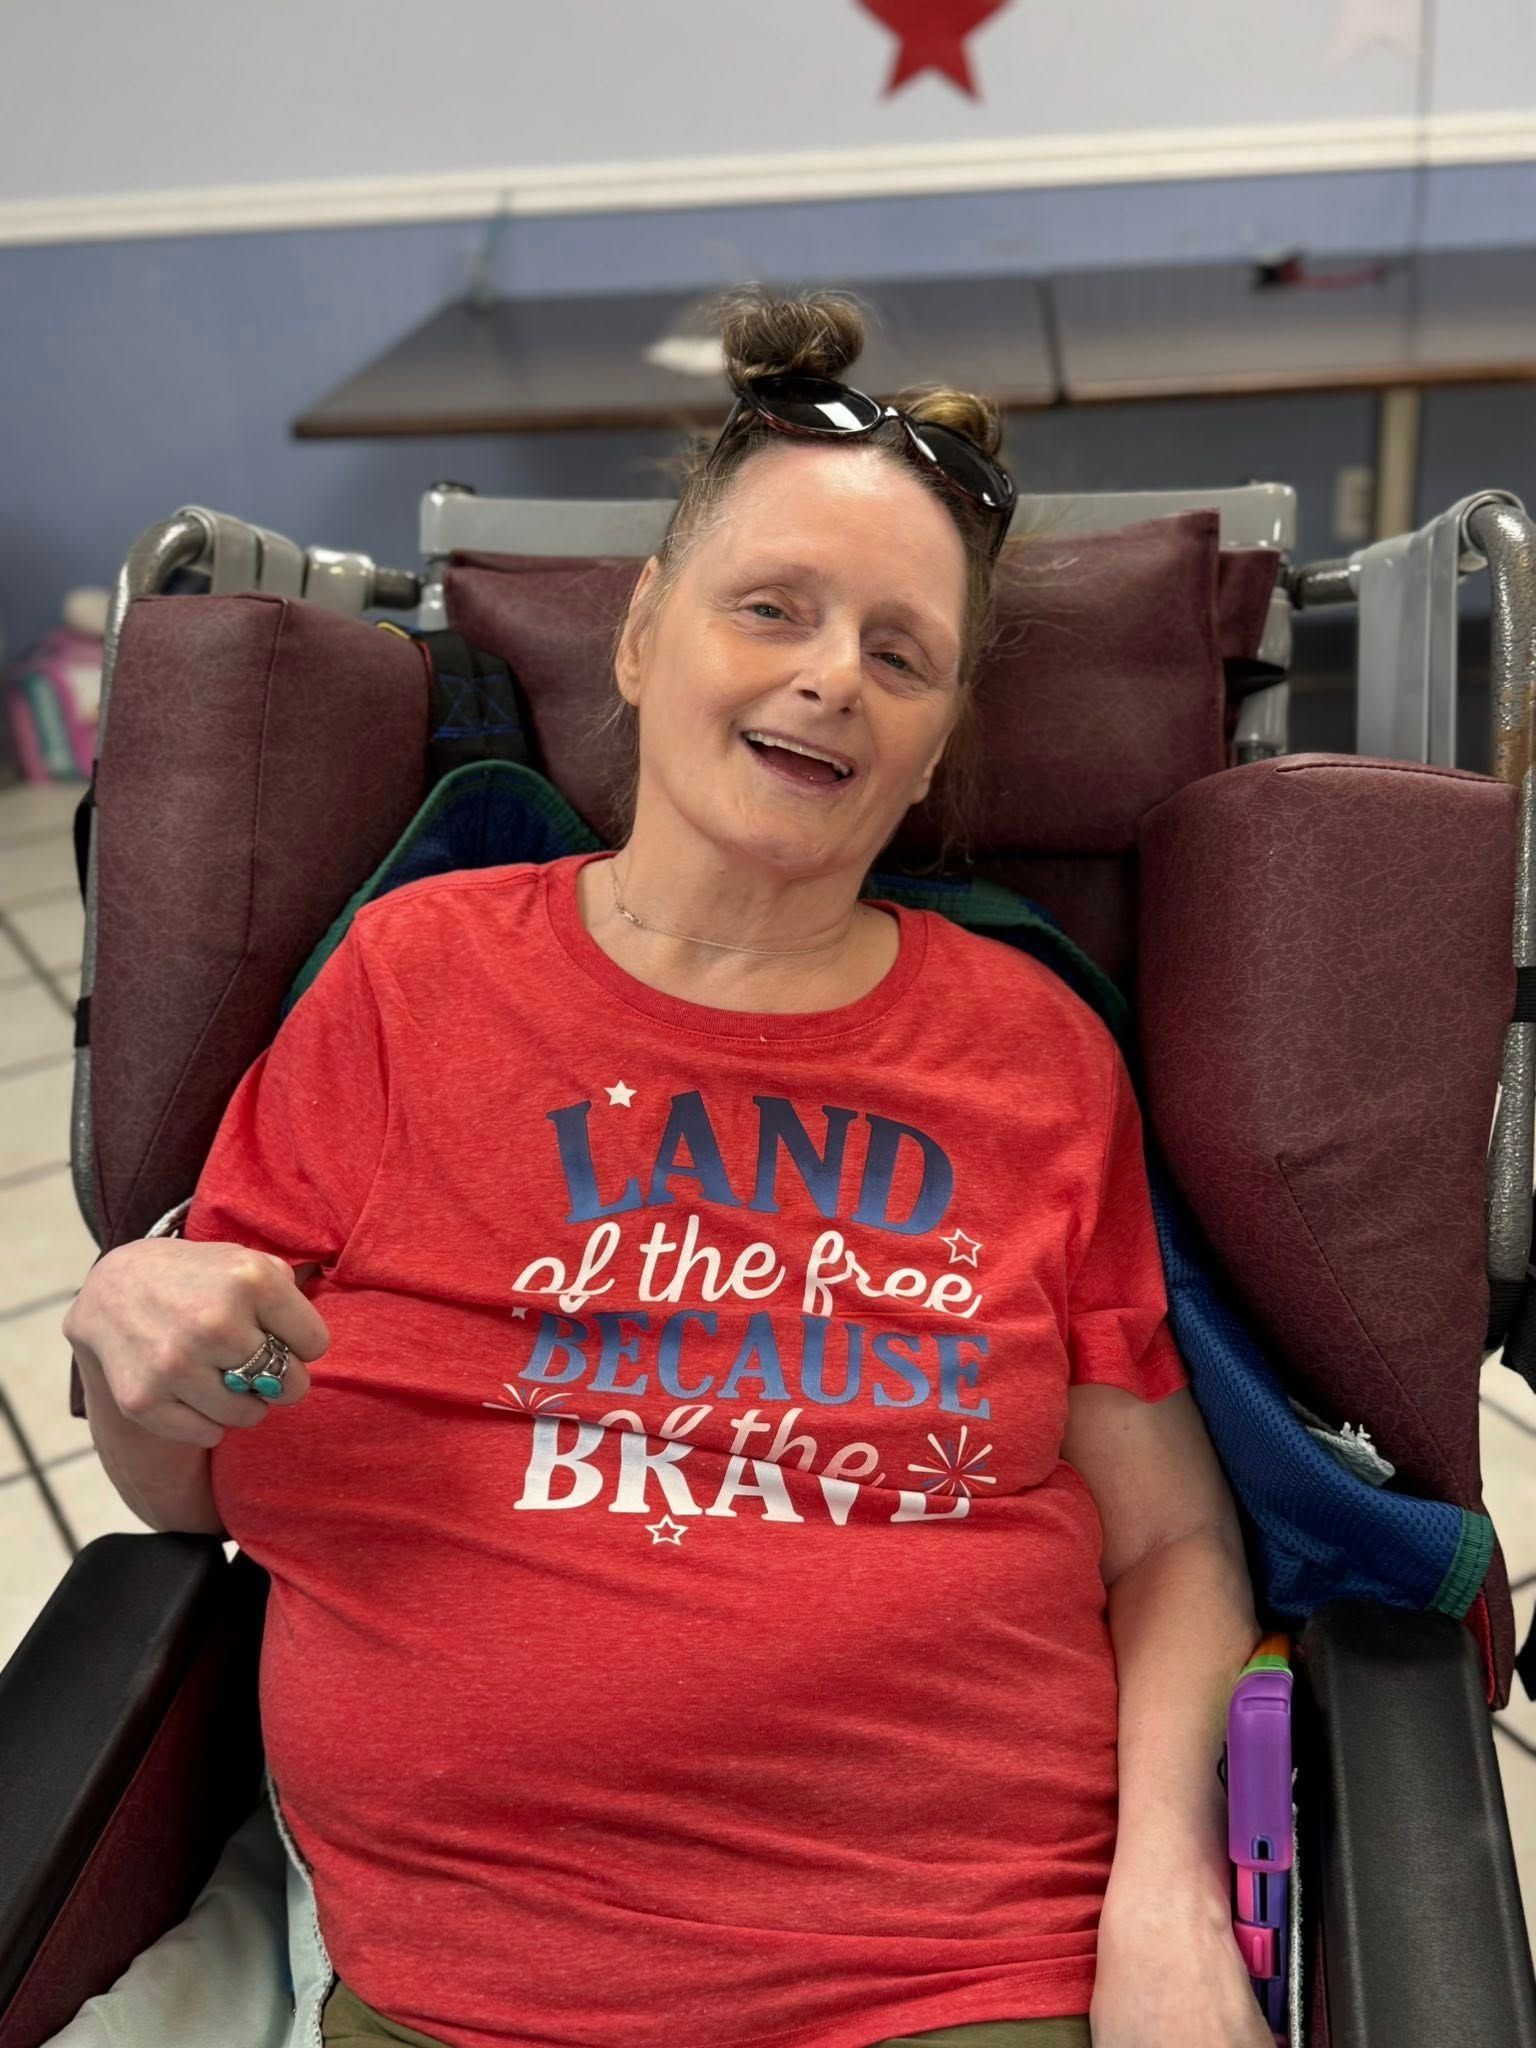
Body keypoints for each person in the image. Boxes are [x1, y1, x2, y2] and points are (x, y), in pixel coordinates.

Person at [62, 287, 1270, 2048]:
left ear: (934, 741)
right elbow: (183, 1484)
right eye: (770, 607)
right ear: (640, 634)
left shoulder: (1029, 1054)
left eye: (901, 653)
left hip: (950, 1971)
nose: (827, 676)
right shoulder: (411, 982)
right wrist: (133, 1332)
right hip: (477, 1983)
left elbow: (1169, 1540)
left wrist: (1158, 1907)